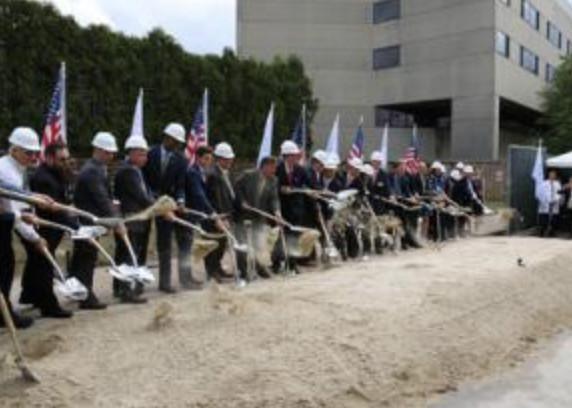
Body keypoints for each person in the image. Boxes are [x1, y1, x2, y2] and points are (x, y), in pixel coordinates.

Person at [20, 142, 76, 318]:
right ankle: (49, 306)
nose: (66, 162)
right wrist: (76, 228)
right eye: (62, 159)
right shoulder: (43, 178)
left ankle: (30, 295)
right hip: (41, 228)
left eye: (67, 158)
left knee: (36, 263)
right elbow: (54, 209)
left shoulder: (56, 173)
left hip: (48, 227)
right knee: (44, 266)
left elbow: (62, 201)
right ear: (49, 157)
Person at [69, 132, 123, 310]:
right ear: (98, 150)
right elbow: (101, 199)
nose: (111, 155)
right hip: (88, 222)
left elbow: (106, 197)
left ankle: (77, 291)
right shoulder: (92, 171)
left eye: (112, 152)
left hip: (89, 220)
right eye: (108, 152)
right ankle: (86, 297)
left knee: (82, 257)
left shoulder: (96, 168)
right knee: (86, 258)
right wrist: (116, 222)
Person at [0, 127, 47, 328]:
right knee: (4, 269)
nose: (33, 156)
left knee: (7, 269)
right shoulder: (5, 171)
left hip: (5, 224)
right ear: (15, 149)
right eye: (29, 152)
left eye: (35, 152)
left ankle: (4, 313)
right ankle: (5, 314)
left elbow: (22, 205)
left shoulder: (18, 168)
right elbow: (16, 211)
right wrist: (34, 237)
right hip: (4, 223)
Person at [143, 123, 189, 294]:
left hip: (167, 205)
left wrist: (181, 201)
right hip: (147, 202)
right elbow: (142, 179)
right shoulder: (149, 153)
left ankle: (165, 282)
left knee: (165, 243)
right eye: (175, 141)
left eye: (179, 143)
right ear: (167, 138)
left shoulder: (181, 160)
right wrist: (151, 198)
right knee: (141, 241)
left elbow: (180, 185)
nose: (177, 145)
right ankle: (136, 282)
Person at [112, 135, 153, 303]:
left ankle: (118, 286)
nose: (146, 158)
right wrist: (159, 205)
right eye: (142, 154)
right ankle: (126, 290)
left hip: (134, 219)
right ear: (133, 153)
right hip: (131, 219)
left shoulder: (135, 170)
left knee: (123, 254)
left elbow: (146, 193)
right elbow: (141, 196)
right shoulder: (129, 170)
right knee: (128, 254)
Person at [234, 156, 281, 278]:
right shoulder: (247, 175)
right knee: (242, 244)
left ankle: (259, 268)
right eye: (272, 168)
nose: (274, 170)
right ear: (264, 166)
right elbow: (236, 188)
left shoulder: (274, 180)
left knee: (258, 245)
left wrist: (277, 212)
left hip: (259, 216)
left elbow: (274, 199)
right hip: (242, 215)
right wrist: (242, 201)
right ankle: (243, 272)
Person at [185, 145, 223, 286]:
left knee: (204, 243)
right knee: (190, 246)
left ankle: (208, 273)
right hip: (192, 214)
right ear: (198, 158)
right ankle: (186, 278)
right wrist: (212, 213)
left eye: (210, 159)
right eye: (206, 158)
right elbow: (199, 195)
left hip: (202, 215)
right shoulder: (193, 173)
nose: (208, 161)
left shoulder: (204, 172)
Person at [205, 142, 240, 283]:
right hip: (216, 216)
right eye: (227, 159)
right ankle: (211, 271)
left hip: (227, 213)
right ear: (219, 159)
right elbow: (215, 197)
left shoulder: (226, 173)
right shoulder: (213, 174)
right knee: (214, 243)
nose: (230, 161)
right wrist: (220, 216)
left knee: (222, 244)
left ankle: (218, 268)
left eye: (230, 159)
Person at [537, 169, 562, 237]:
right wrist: (546, 200)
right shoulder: (544, 183)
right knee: (544, 219)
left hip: (554, 203)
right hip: (545, 204)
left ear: (555, 176)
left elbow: (559, 193)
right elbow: (541, 193)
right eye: (551, 174)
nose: (552, 176)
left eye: (554, 175)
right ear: (549, 175)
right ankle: (542, 232)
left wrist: (555, 199)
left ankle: (552, 232)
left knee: (554, 219)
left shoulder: (557, 184)